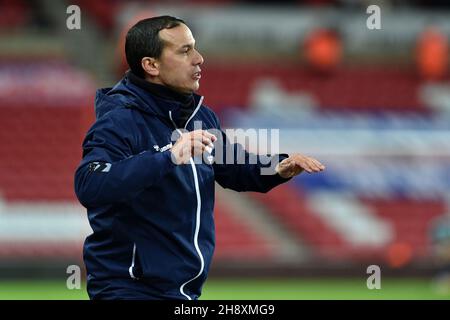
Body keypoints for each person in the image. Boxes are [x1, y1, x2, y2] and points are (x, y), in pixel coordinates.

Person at [74, 15, 325, 300]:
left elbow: (236, 169)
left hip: (183, 293)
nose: (199, 58)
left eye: (194, 47)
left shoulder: (200, 117)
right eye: (184, 51)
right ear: (151, 65)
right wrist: (169, 156)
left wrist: (278, 167)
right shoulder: (119, 121)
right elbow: (90, 184)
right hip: (129, 289)